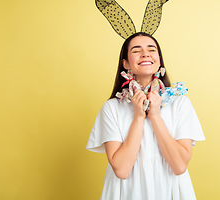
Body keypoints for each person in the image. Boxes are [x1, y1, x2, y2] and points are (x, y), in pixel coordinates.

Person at [86, 32, 205, 200]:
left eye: (151, 49)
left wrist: (155, 116)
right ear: (125, 63)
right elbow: (121, 170)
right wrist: (138, 118)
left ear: (159, 60)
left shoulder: (180, 104)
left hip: (170, 190)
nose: (145, 54)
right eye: (136, 50)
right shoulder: (112, 108)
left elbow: (179, 166)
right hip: (126, 192)